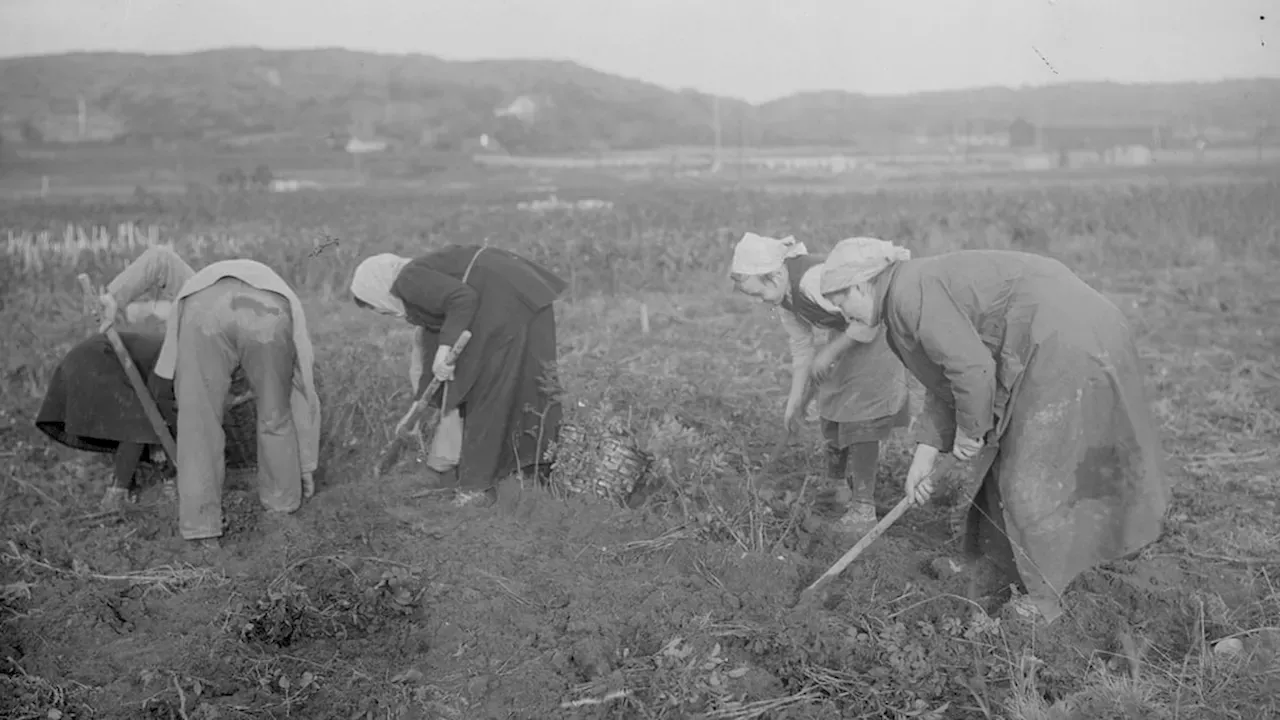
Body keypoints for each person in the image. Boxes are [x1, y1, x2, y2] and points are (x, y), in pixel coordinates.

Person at [819, 237, 1170, 623]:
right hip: (1064, 329)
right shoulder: (906, 292)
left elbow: (972, 371)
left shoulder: (907, 296)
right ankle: (1004, 565)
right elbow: (946, 377)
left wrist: (971, 433)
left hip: (1062, 340)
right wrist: (926, 453)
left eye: (840, 301)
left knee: (1031, 470)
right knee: (1013, 463)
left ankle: (1042, 599)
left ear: (862, 284)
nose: (842, 313)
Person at [99, 245, 321, 545]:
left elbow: (159, 258)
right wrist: (305, 465)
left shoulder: (198, 283)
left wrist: (113, 297)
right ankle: (281, 515)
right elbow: (302, 391)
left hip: (203, 315)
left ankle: (202, 532)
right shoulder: (278, 291)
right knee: (275, 417)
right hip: (268, 313)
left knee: (198, 425)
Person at [349, 245, 567, 505]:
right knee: (525, 386)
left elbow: (462, 299)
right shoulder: (419, 291)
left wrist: (445, 351)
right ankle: (529, 473)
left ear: (378, 288)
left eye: (377, 307)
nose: (384, 313)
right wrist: (418, 408)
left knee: (487, 391)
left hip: (505, 298)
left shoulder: (408, 279)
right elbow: (435, 341)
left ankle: (475, 489)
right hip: (523, 296)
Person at [730, 232, 912, 536]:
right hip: (846, 334)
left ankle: (862, 510)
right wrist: (794, 403)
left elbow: (869, 318)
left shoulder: (812, 281)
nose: (758, 301)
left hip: (877, 331)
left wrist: (829, 352)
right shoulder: (785, 298)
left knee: (862, 414)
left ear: (773, 277)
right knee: (831, 406)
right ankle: (836, 487)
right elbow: (802, 350)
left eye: (757, 294)